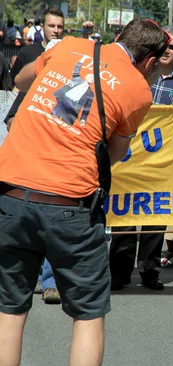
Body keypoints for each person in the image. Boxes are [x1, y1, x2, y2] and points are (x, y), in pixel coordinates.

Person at [0, 18, 169, 366]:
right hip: (69, 205)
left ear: (117, 38)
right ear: (148, 60)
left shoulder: (67, 45)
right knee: (89, 315)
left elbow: (21, 80)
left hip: (11, 192)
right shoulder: (138, 89)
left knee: (9, 312)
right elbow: (114, 153)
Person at [109, 25, 173, 292]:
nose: (167, 51)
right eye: (164, 46)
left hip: (163, 161)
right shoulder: (135, 74)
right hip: (128, 157)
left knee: (155, 217)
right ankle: (119, 274)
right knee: (123, 217)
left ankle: (150, 272)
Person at [4, 6, 65, 303]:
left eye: (60, 26)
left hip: (58, 168)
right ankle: (34, 277)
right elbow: (12, 116)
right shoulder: (31, 85)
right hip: (29, 168)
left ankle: (51, 281)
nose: (56, 29)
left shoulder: (73, 92)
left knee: (53, 224)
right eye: (52, 25)